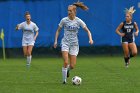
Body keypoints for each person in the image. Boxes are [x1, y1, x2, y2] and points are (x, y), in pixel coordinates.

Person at [54, 2, 93, 84]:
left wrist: (90, 39)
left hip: (74, 45)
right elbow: (58, 30)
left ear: (75, 11)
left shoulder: (78, 21)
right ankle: (64, 80)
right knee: (65, 62)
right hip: (65, 43)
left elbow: (88, 31)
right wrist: (56, 41)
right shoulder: (64, 20)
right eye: (68, 10)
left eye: (70, 11)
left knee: (72, 66)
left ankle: (67, 70)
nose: (69, 12)